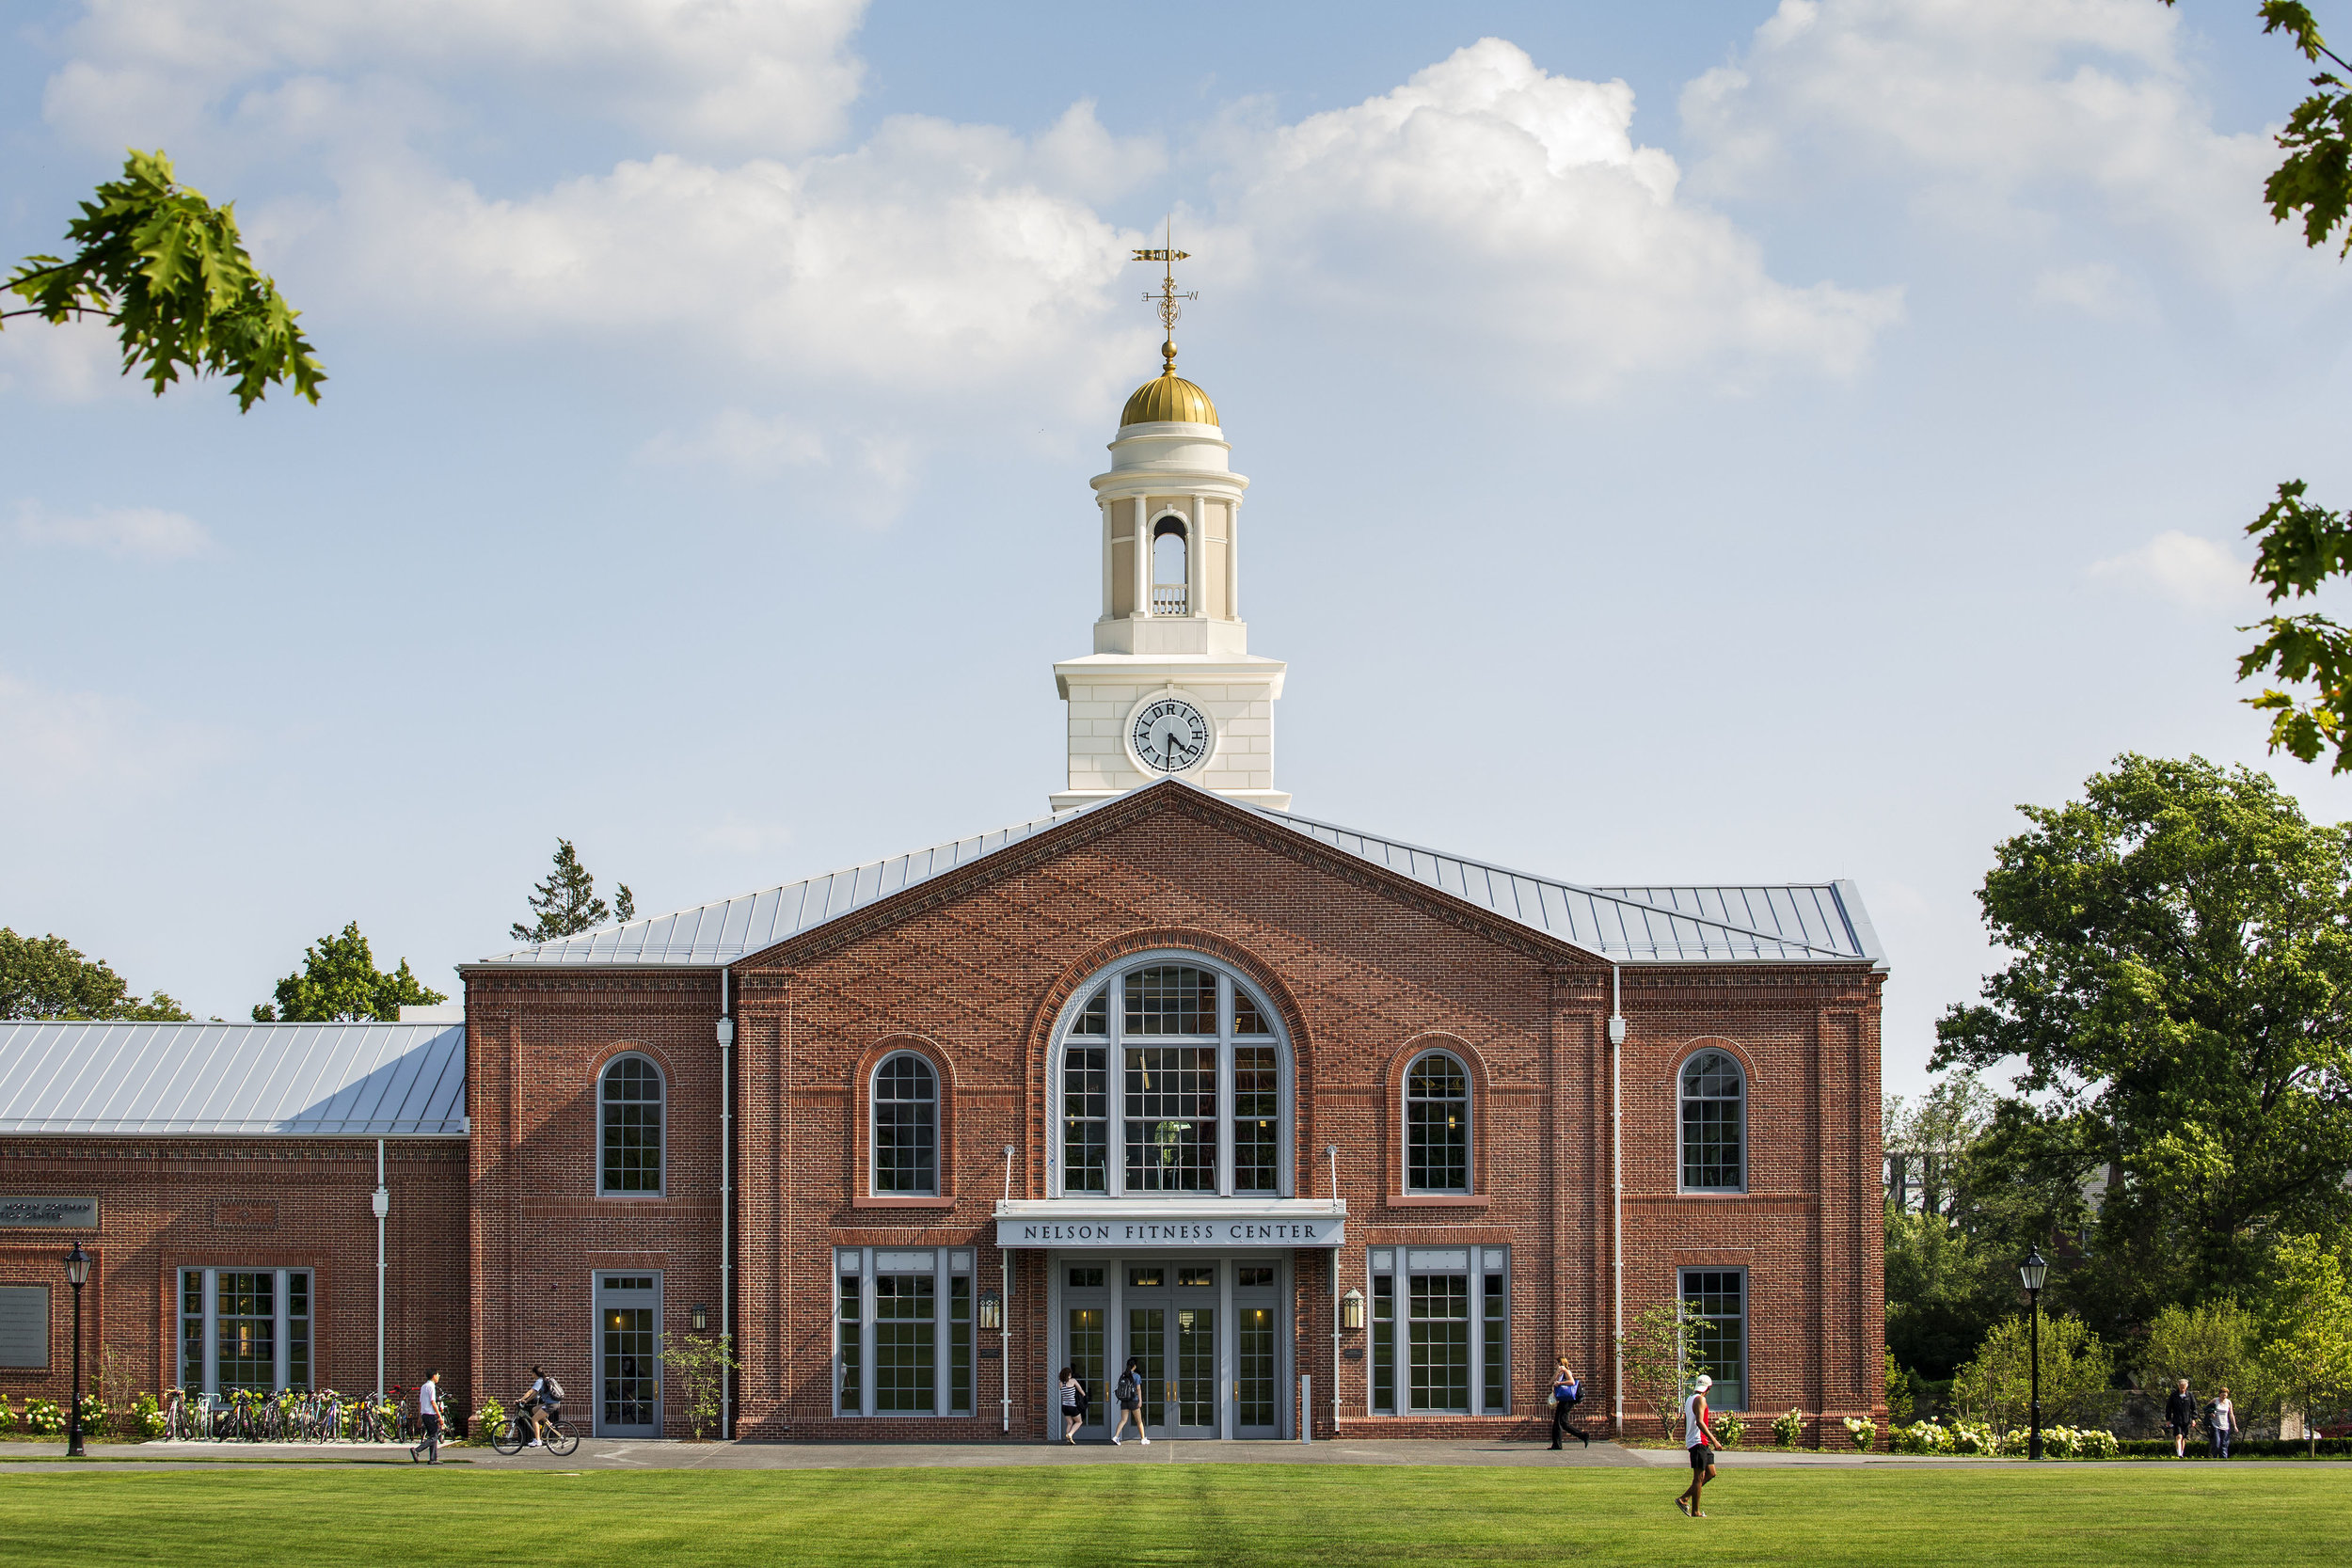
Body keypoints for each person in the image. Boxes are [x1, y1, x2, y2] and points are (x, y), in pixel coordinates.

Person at [1677, 1373, 1718, 1518]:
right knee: (1698, 1478)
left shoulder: (1689, 1399)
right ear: (1709, 1388)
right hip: (1698, 1442)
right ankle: (1695, 1511)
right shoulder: (1701, 1400)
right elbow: (1700, 1422)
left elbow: (1686, 1421)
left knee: (1711, 1472)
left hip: (1700, 1442)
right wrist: (1714, 1440)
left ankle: (1684, 1498)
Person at [521, 1364, 565, 1448]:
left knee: (534, 1419)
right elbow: (534, 1394)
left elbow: (530, 1391)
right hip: (552, 1404)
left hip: (550, 1405)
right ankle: (548, 1424)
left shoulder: (539, 1381)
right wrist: (526, 1401)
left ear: (534, 1373)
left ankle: (538, 1441)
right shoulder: (543, 1380)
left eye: (532, 1373)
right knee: (534, 1410)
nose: (532, 1375)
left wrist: (521, 1399)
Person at [1110, 1355, 1150, 1446]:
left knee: (1123, 1420)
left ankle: (1115, 1437)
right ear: (1134, 1366)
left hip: (1124, 1400)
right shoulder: (1136, 1376)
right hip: (1133, 1400)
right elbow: (1138, 1389)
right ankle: (1143, 1439)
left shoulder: (1123, 1375)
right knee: (1139, 1421)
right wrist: (1140, 1400)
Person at [1549, 1360, 1588, 1450]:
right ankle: (1582, 1436)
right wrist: (1557, 1372)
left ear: (1560, 1363)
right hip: (1563, 1400)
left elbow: (1572, 1382)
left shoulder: (1566, 1371)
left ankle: (1558, 1445)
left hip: (1568, 1400)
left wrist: (1560, 1383)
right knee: (1561, 1422)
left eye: (1556, 1363)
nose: (1555, 1365)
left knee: (1560, 1422)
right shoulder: (1560, 1373)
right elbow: (1550, 1382)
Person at [409, 1370, 443, 1465]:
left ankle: (433, 1458)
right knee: (434, 1436)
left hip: (424, 1413)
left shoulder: (424, 1386)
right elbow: (433, 1402)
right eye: (437, 1375)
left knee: (433, 1435)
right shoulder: (431, 1386)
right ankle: (417, 1450)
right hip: (430, 1414)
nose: (439, 1376)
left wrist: (420, 1418)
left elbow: (420, 1403)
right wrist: (440, 1416)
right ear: (433, 1376)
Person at [2165, 1378, 2196, 1459]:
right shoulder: (2173, 1395)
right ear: (2178, 1386)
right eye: (2181, 1387)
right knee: (2179, 1436)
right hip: (2177, 1420)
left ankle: (2181, 1453)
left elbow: (2194, 1408)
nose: (2182, 1389)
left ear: (2187, 1386)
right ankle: (2179, 1454)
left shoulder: (2190, 1395)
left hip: (2186, 1420)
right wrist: (2168, 1419)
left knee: (2184, 1438)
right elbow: (2168, 1408)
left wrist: (2193, 1419)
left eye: (2184, 1387)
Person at [1058, 1366, 1088, 1445]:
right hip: (1072, 1406)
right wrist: (1084, 1396)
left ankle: (1068, 1440)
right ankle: (1070, 1434)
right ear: (1069, 1375)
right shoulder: (1073, 1381)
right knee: (1079, 1421)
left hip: (1064, 1407)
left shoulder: (1060, 1383)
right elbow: (1080, 1390)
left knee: (1070, 1423)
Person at [2207, 1386, 2237, 1459]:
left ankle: (2223, 1460)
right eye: (2223, 1395)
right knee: (2217, 1443)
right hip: (2216, 1425)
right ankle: (2214, 1457)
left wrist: (2235, 1425)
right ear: (2220, 1394)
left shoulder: (2228, 1402)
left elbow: (2231, 1414)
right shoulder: (2215, 1400)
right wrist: (2211, 1413)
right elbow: (2207, 1408)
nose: (2224, 1397)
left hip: (2225, 1425)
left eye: (2225, 1395)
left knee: (2224, 1444)